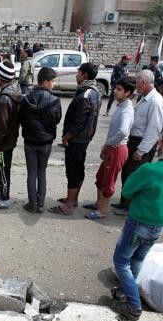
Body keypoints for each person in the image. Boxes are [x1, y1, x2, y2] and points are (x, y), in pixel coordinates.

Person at [110, 122, 163, 321]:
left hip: (138, 223)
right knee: (137, 259)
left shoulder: (149, 169)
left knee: (121, 262)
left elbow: (127, 190)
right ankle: (124, 291)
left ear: (160, 143)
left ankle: (133, 304)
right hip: (159, 224)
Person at [49, 63, 101, 215]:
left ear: (84, 75)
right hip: (84, 138)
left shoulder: (85, 95)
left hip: (77, 139)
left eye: (78, 73)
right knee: (79, 169)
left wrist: (66, 137)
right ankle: (73, 198)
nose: (76, 75)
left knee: (73, 170)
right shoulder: (94, 91)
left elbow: (79, 122)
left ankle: (69, 205)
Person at [114, 70, 163, 212]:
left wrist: (141, 150)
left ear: (143, 83)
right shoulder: (144, 98)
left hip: (142, 143)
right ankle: (124, 202)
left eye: (137, 83)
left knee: (136, 176)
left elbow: (154, 129)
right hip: (134, 140)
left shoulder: (156, 101)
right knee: (127, 174)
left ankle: (131, 206)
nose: (135, 86)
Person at [84, 77, 135, 220]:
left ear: (127, 93)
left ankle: (102, 210)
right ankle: (99, 203)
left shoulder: (126, 110)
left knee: (108, 182)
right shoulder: (121, 106)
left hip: (117, 149)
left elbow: (123, 132)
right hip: (112, 148)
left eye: (119, 89)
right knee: (101, 177)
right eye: (115, 88)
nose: (115, 91)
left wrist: (111, 143)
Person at [20, 67, 62, 213]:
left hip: (30, 141)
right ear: (45, 83)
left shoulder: (26, 99)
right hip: (46, 143)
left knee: (32, 172)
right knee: (41, 172)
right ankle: (41, 203)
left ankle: (32, 204)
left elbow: (22, 119)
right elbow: (56, 120)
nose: (54, 84)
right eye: (53, 82)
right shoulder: (55, 100)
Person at [0, 62, 22, 210]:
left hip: (2, 144)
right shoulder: (16, 90)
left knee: (1, 169)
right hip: (10, 139)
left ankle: (4, 199)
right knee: (3, 169)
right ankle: (3, 193)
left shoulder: (4, 99)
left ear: (1, 77)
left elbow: (0, 126)